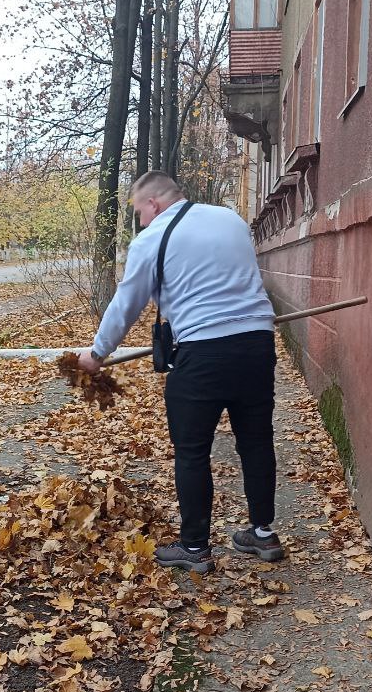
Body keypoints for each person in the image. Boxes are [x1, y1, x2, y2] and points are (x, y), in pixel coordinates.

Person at [78, 171, 283, 574]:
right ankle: (262, 534)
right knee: (256, 441)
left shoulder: (152, 239)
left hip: (203, 352)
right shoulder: (230, 219)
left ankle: (194, 548)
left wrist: (98, 352)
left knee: (192, 452)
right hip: (258, 344)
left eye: (139, 212)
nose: (140, 221)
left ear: (153, 203)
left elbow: (127, 302)